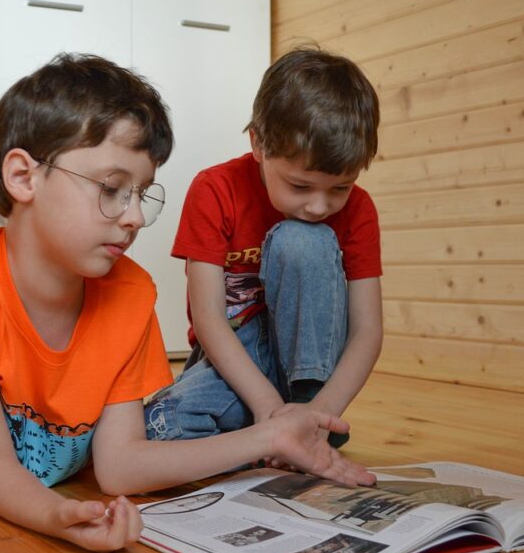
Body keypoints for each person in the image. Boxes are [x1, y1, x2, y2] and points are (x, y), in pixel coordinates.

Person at [0, 53, 373, 553]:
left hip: (32, 395)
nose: (134, 218)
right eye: (112, 189)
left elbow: (120, 467)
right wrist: (52, 516)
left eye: (142, 193)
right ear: (23, 177)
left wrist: (275, 437)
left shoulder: (131, 294)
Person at [143, 47, 383, 453]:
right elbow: (208, 318)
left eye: (340, 187)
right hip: (237, 356)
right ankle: (279, 436)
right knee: (160, 428)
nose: (319, 206)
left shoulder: (359, 210)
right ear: (258, 144)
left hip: (313, 361)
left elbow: (366, 330)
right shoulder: (214, 190)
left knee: (304, 238)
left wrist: (323, 409)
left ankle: (304, 416)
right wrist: (267, 405)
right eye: (300, 186)